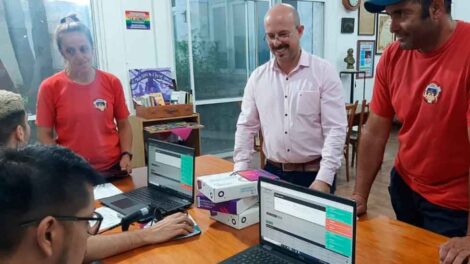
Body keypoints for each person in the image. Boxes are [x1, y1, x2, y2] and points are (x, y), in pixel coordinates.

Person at [0, 90, 195, 261]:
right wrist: (148, 234)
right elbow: (79, 249)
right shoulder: (30, 185)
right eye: (87, 221)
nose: (88, 233)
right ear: (19, 132)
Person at [352, 0, 470, 263]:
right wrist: (359, 195)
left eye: (401, 14)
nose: (392, 27)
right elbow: (374, 131)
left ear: (436, 8)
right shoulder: (394, 56)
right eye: (389, 15)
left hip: (454, 204)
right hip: (405, 187)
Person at [233, 4, 347, 193]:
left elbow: (335, 129)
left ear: (300, 31)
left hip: (314, 174)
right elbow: (246, 127)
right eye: (271, 36)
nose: (277, 42)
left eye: (283, 34)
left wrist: (325, 178)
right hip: (272, 173)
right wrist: (240, 170)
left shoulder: (324, 72)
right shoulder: (257, 78)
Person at [36, 14, 133, 176]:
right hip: (73, 173)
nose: (79, 57)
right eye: (71, 51)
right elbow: (44, 134)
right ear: (62, 53)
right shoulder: (49, 87)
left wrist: (126, 154)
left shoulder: (112, 82)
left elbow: (123, 124)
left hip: (113, 169)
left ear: (92, 47)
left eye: (84, 49)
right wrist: (58, 164)